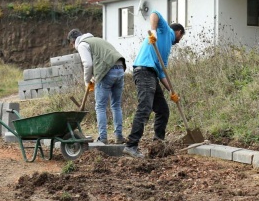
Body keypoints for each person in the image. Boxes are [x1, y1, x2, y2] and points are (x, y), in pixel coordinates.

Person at [122, 11, 185, 158]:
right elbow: (154, 13)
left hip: (153, 75)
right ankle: (131, 145)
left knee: (163, 110)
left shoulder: (166, 49)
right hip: (144, 71)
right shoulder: (167, 31)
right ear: (179, 32)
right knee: (145, 108)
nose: (180, 40)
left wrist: (171, 91)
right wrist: (154, 32)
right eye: (181, 37)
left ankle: (158, 145)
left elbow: (162, 73)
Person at [68, 29, 127, 144]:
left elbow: (88, 63)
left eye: (71, 44)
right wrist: (94, 76)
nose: (73, 47)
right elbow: (100, 59)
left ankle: (103, 138)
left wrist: (86, 81)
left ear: (73, 41)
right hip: (120, 68)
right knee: (116, 105)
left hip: (107, 72)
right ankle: (119, 137)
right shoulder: (96, 40)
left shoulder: (82, 44)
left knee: (100, 107)